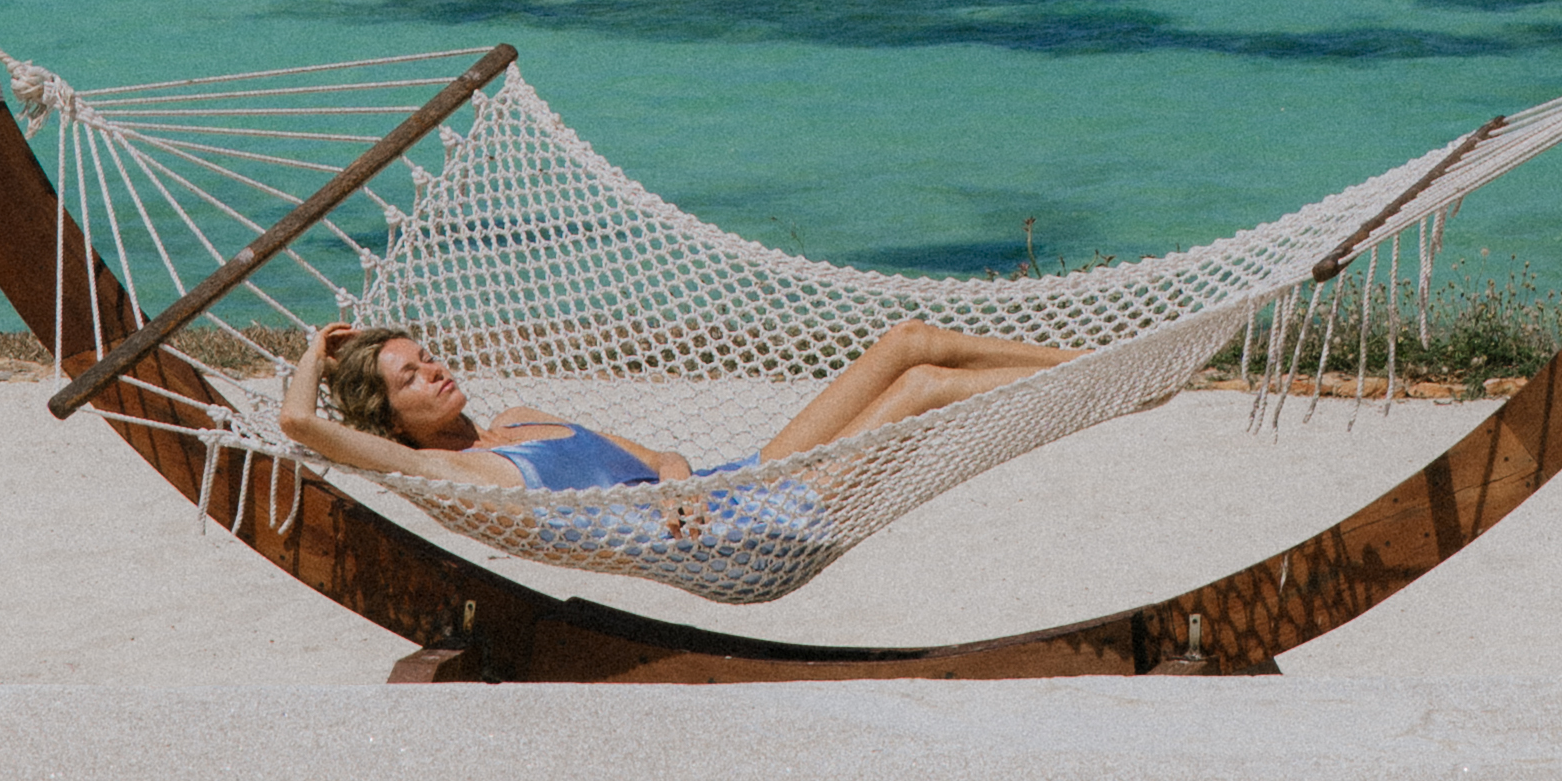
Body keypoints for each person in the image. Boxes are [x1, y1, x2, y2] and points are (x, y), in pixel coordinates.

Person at [279, 311, 1068, 528]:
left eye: (429, 356)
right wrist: (316, 351)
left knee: (909, 342)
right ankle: (1103, 386)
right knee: (925, 386)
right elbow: (298, 423)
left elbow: (662, 454)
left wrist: (675, 481)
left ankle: (1098, 364)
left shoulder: (519, 417)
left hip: (730, 484)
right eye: (411, 376)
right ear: (390, 417)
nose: (436, 370)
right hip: (759, 528)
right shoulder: (451, 473)